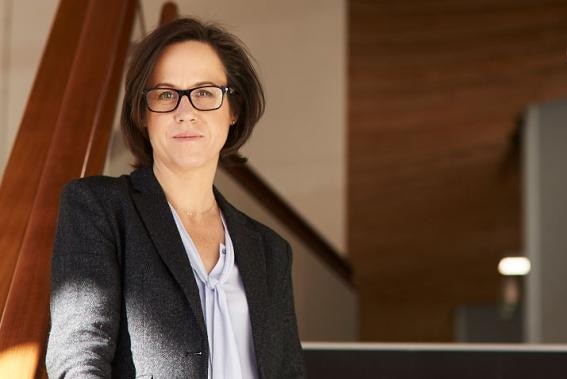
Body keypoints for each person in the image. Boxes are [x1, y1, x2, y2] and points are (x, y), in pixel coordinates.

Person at [46, 17, 304, 379]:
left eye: (205, 93)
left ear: (234, 109)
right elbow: (78, 355)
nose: (186, 112)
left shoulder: (270, 252)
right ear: (142, 113)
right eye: (166, 94)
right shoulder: (99, 208)